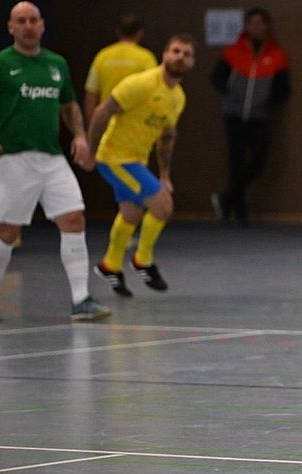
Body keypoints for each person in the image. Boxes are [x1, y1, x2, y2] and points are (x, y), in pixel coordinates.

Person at [0, 1, 111, 322]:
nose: (28, 26)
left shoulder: (56, 63)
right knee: (6, 232)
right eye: (21, 21)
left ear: (42, 25)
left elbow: (69, 105)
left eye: (33, 20)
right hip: (13, 160)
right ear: (11, 27)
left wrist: (79, 136)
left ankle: (81, 300)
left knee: (73, 218)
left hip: (52, 158)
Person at [85, 35, 195, 298]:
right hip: (115, 158)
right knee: (163, 206)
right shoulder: (141, 83)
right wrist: (90, 151)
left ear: (192, 62)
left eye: (187, 54)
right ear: (164, 54)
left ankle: (110, 265)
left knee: (131, 213)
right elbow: (102, 112)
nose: (180, 57)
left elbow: (166, 136)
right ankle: (142, 260)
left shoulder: (178, 97)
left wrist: (165, 174)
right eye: (175, 51)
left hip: (136, 160)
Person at [210, 7, 290, 225]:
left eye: (259, 23)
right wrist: (232, 92)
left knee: (258, 159)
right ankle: (238, 211)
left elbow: (283, 88)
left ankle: (227, 197)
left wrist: (266, 99)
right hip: (234, 114)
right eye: (252, 23)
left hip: (258, 115)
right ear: (246, 26)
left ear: (266, 26)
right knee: (235, 161)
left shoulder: (276, 55)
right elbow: (216, 77)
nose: (256, 27)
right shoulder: (234, 51)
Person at [83, 13, 157, 122]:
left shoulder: (102, 56)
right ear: (140, 33)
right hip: (135, 125)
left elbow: (91, 93)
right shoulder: (147, 58)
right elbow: (154, 94)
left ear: (118, 31)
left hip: (105, 123)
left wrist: (92, 123)